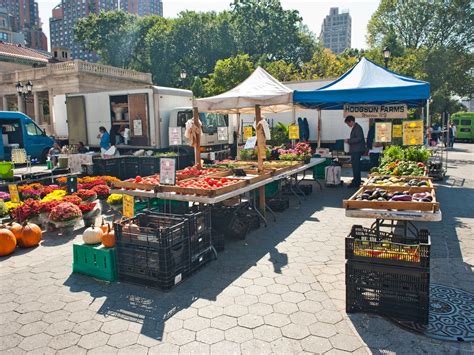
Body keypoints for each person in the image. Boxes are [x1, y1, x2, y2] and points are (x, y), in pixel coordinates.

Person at [344, 115, 366, 188]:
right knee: (355, 166)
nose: (348, 125)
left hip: (357, 150)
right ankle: (357, 180)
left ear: (351, 121)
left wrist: (349, 141)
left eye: (348, 123)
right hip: (356, 149)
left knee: (356, 166)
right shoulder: (356, 127)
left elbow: (359, 138)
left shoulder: (357, 128)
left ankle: (356, 182)